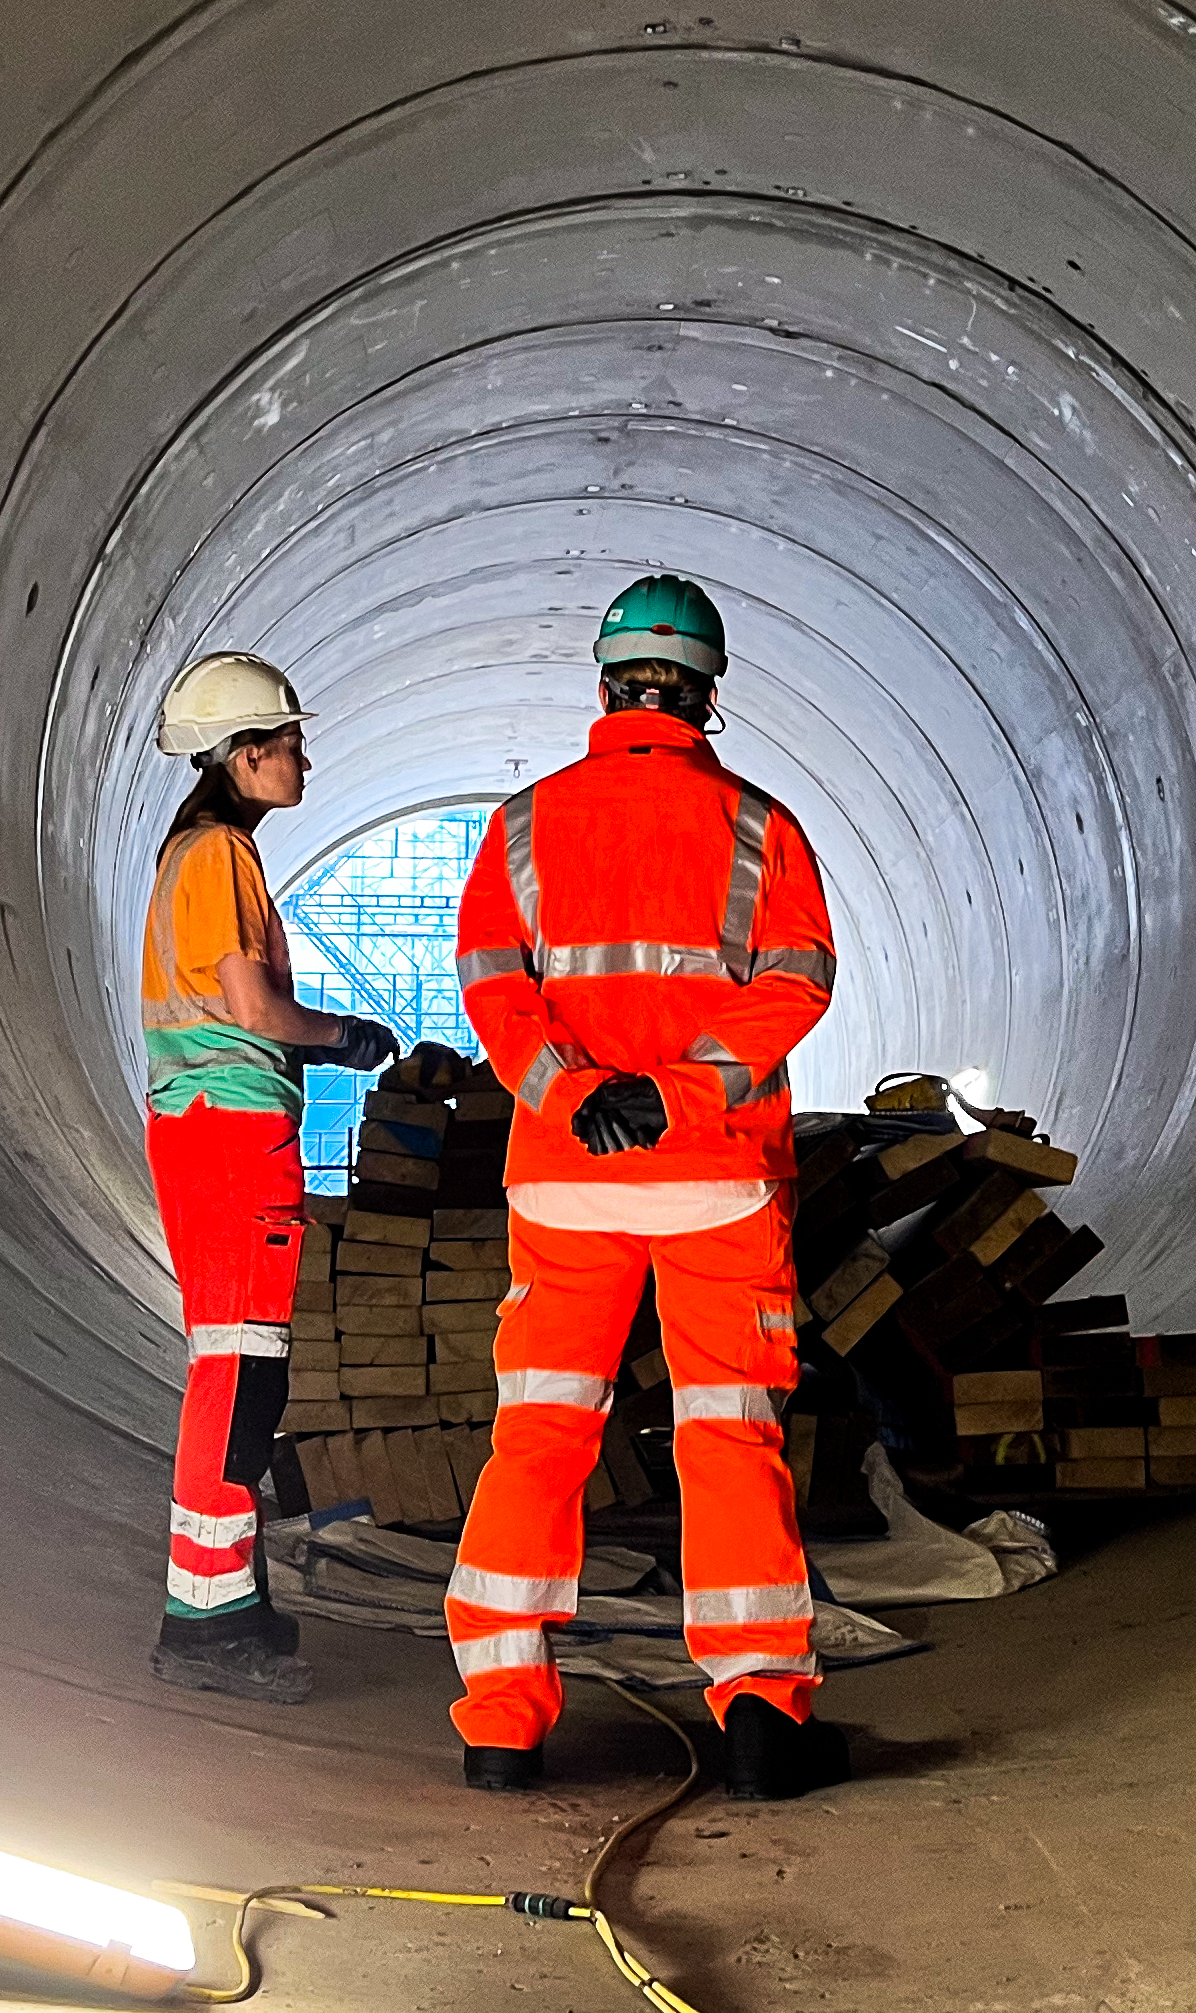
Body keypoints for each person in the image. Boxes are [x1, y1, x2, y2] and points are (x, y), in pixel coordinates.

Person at [442, 575, 851, 1800]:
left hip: (571, 1177)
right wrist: (680, 1092)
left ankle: (502, 1726)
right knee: (730, 1440)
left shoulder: (524, 826)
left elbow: (493, 988)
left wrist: (579, 1094)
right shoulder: (763, 828)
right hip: (713, 1178)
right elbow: (797, 983)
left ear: (608, 683)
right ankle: (763, 1716)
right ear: (708, 693)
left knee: (540, 1437)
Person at [138, 651, 400, 1702]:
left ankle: (226, 1599)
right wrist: (342, 1035)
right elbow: (253, 1009)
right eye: (288, 742)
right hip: (234, 1141)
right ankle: (203, 1626)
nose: (304, 757)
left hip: (194, 1134)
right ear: (244, 756)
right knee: (243, 1375)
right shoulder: (223, 860)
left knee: (234, 1368)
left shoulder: (185, 858)